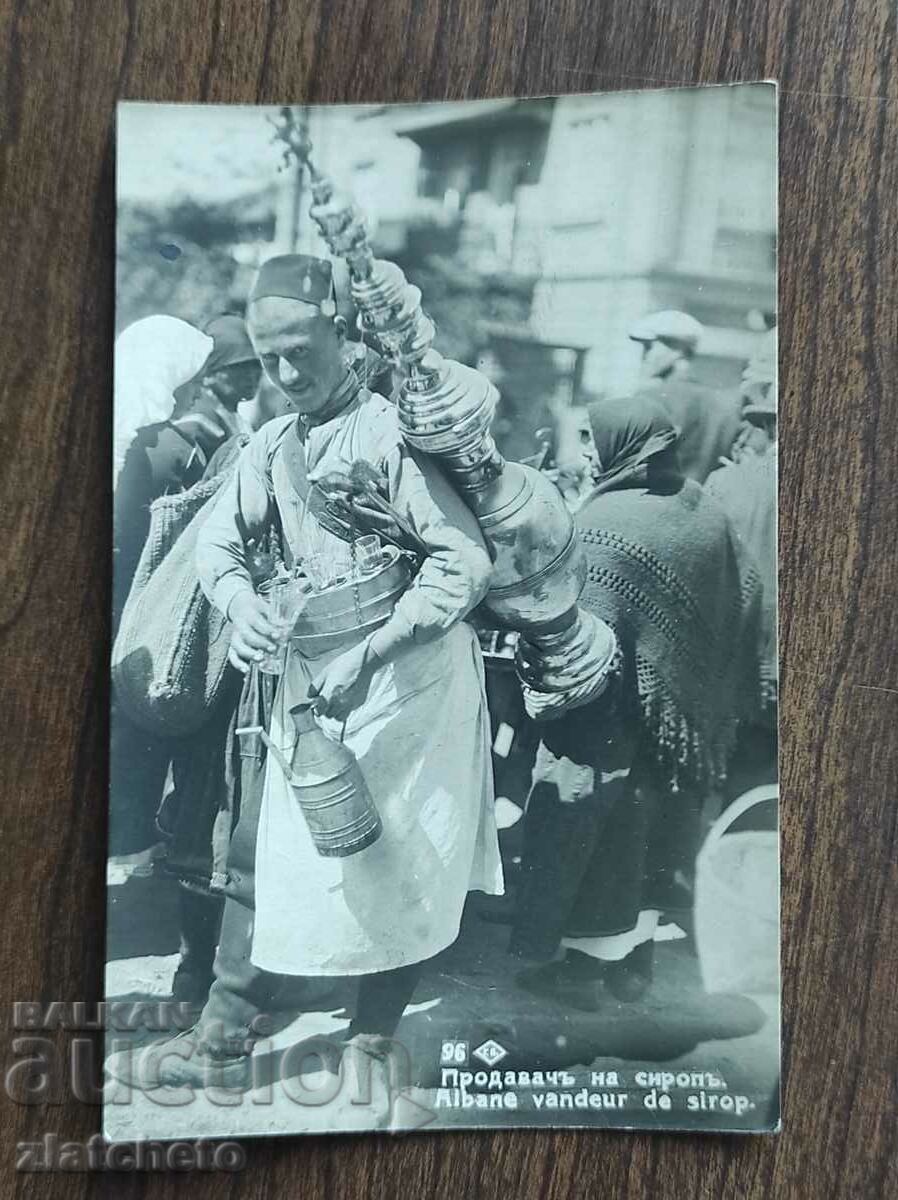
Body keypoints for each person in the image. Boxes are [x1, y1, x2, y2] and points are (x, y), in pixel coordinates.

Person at [107, 253, 503, 1089]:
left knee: (402, 857)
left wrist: (371, 654)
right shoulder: (270, 443)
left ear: (345, 335)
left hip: (411, 683)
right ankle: (219, 1040)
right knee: (264, 849)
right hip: (310, 680)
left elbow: (462, 563)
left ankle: (370, 1038)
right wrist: (242, 604)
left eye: (303, 352)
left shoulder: (394, 432)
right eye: (270, 355)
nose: (287, 374)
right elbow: (216, 543)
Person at [510, 395, 761, 1010]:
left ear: (629, 445)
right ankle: (634, 966)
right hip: (679, 714)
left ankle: (579, 974)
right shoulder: (702, 506)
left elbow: (578, 628)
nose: (590, 453)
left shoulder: (607, 525)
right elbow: (746, 589)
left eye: (597, 440)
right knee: (658, 834)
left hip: (612, 718)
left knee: (596, 833)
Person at [627, 309, 743, 484]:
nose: (644, 356)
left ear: (678, 350)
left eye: (649, 347)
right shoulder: (723, 406)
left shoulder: (650, 398)